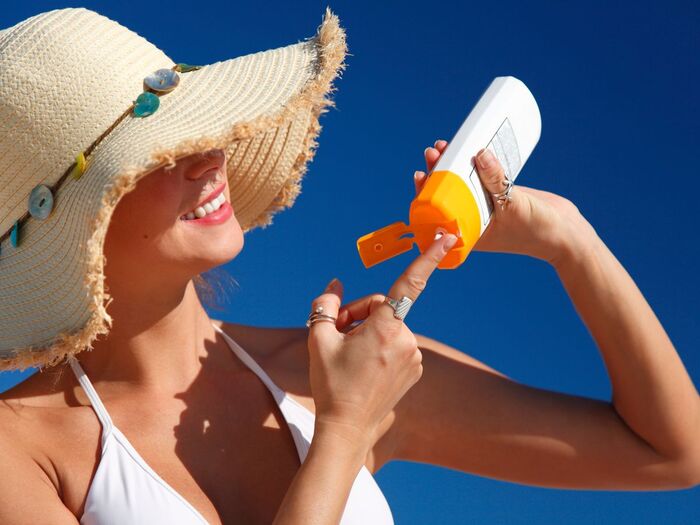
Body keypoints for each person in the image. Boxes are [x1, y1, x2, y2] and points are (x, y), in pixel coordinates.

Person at [1, 7, 698, 525]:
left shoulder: (336, 370)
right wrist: (342, 434)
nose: (209, 158)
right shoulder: (21, 449)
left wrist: (567, 239)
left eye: (198, 130)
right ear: (75, 224)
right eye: (158, 151)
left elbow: (671, 452)